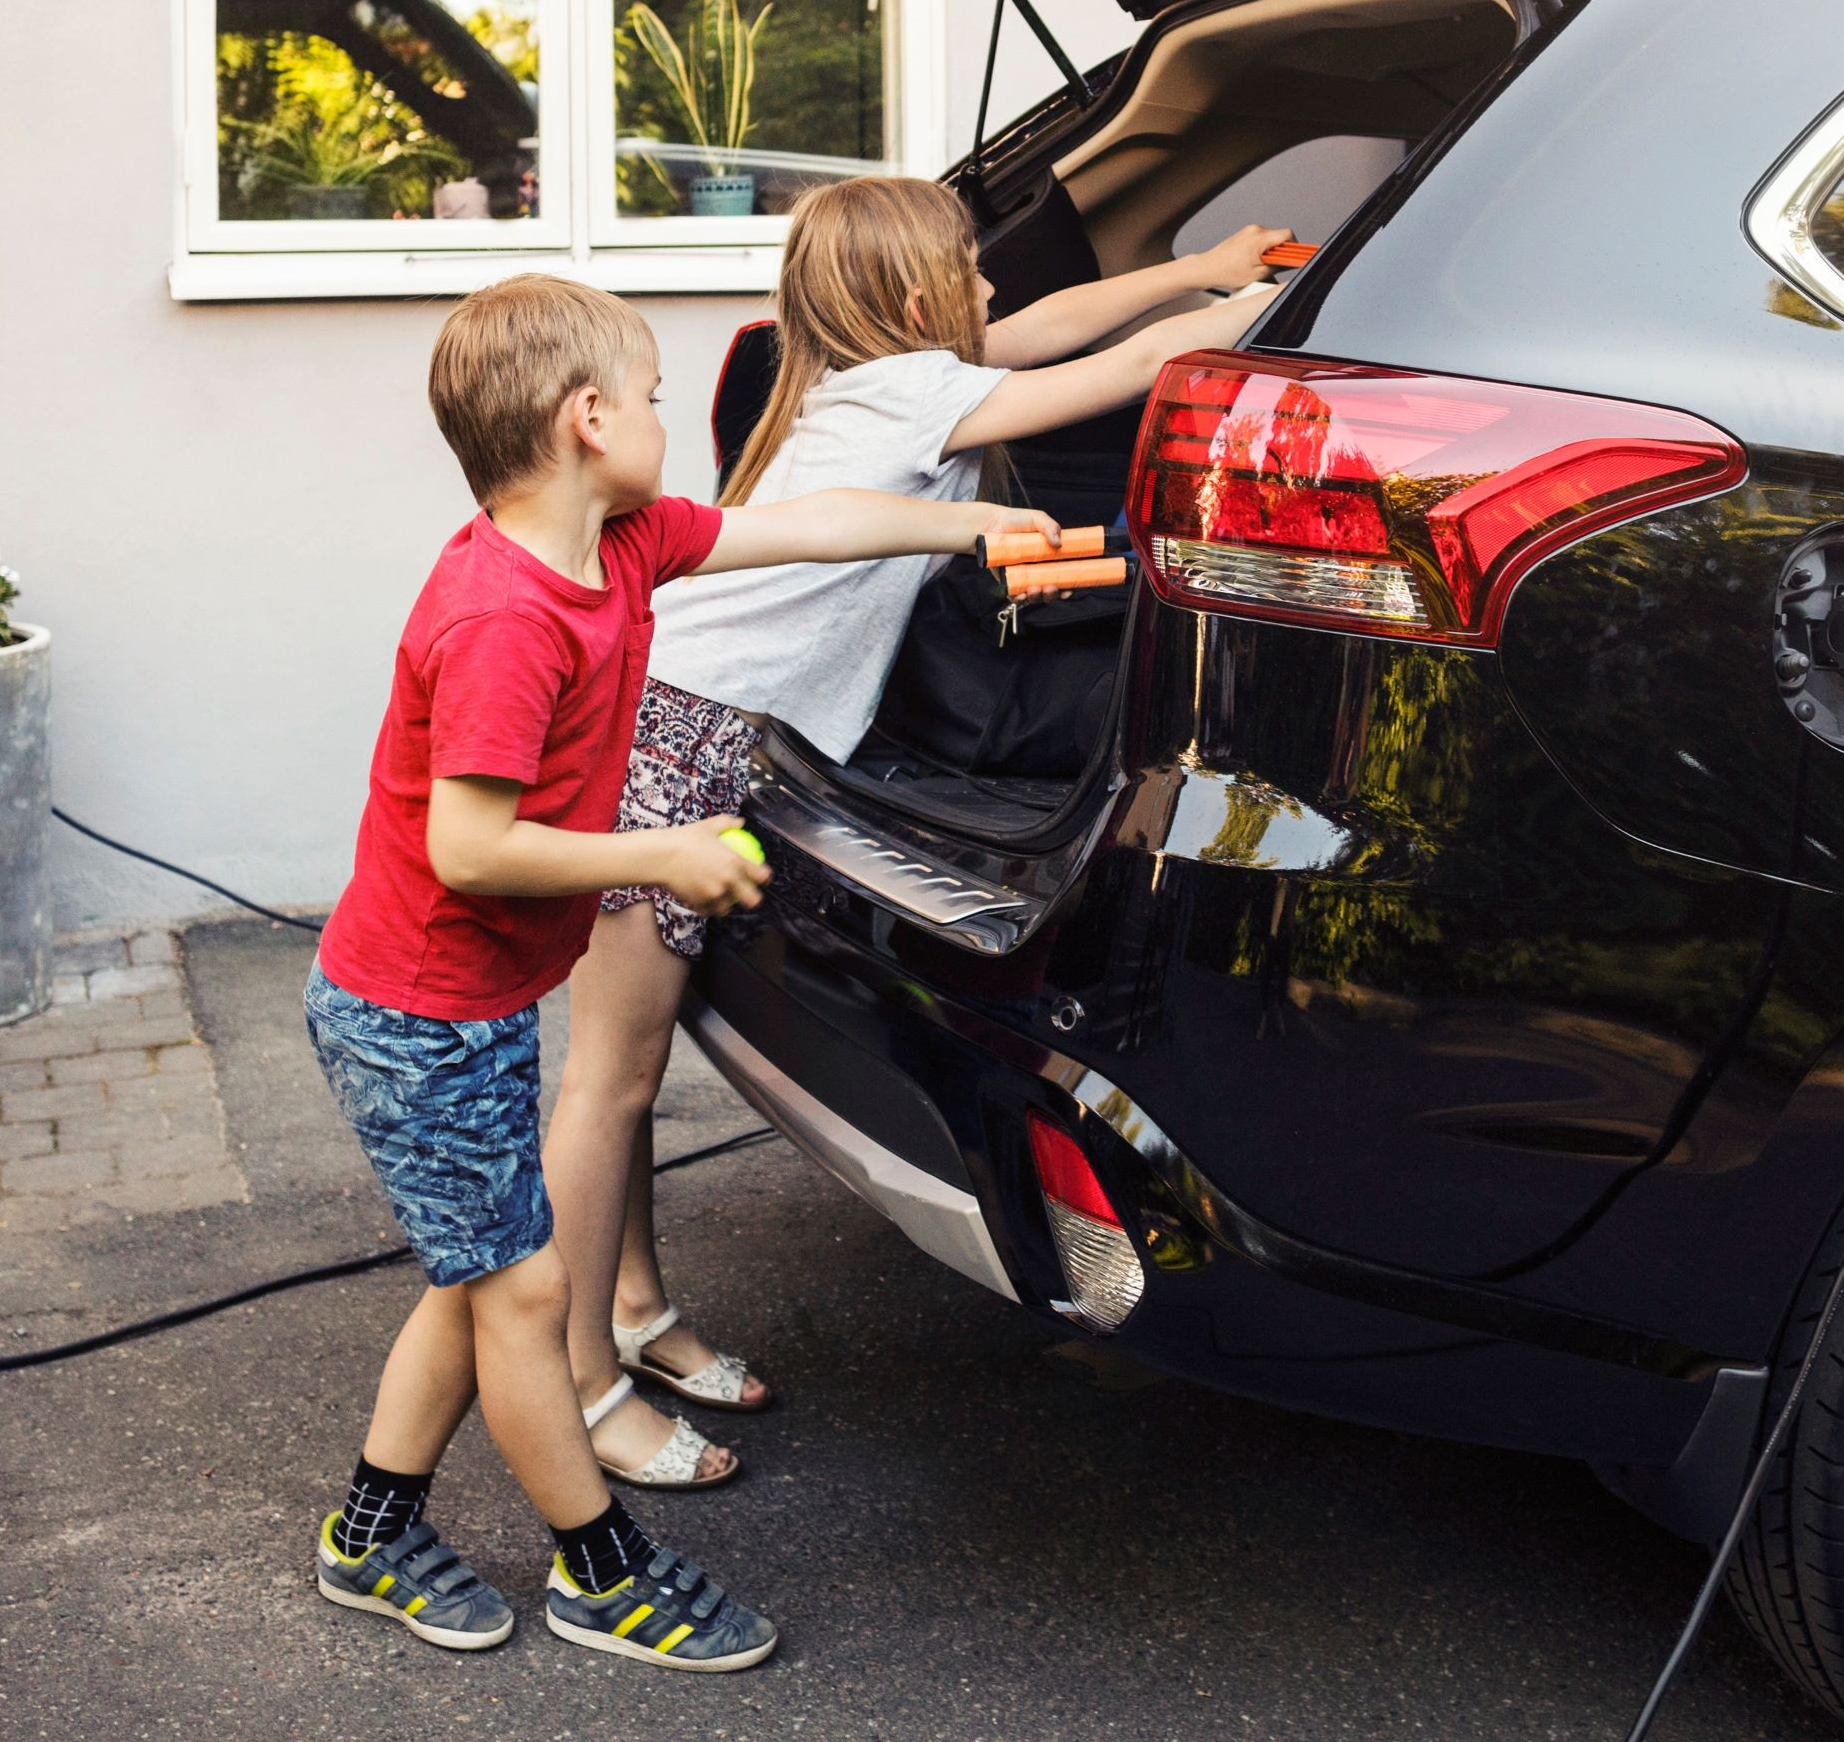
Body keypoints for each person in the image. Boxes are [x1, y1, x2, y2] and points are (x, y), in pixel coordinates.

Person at [304, 272, 1053, 1667]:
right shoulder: (506, 618)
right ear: (588, 419)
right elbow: (469, 847)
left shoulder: (626, 543)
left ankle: (370, 1533)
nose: (667, 417)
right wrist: (664, 854)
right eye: (650, 397)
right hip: (411, 1015)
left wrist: (969, 524)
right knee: (525, 1295)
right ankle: (600, 1572)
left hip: (465, 1005)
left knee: (478, 1280)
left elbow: (810, 525)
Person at [547, 177, 1282, 1489]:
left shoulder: (867, 375)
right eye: (969, 268)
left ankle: (635, 1310)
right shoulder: (909, 395)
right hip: (665, 737)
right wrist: (1273, 305)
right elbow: (1123, 366)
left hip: (680, 725)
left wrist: (1197, 264)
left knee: (629, 1074)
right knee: (609, 1081)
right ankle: (579, 1384)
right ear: (909, 294)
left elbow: (1051, 326)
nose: (991, 287)